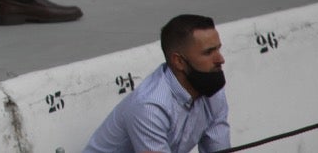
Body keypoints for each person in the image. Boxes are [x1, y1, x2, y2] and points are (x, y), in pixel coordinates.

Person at [83, 14, 229, 153]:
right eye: (208, 52)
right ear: (178, 61)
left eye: (218, 49)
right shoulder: (150, 106)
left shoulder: (212, 92)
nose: (220, 59)